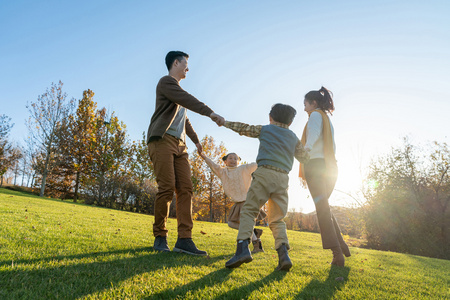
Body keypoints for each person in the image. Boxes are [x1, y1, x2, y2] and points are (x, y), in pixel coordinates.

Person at [147, 51, 225, 256]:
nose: (188, 69)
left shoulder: (178, 93)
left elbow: (185, 120)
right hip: (162, 141)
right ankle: (160, 237)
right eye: (186, 64)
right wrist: (210, 112)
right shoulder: (166, 83)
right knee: (166, 188)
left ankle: (184, 239)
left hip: (180, 146)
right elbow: (188, 100)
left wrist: (196, 141)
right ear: (176, 62)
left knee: (186, 189)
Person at [222, 103, 309, 271]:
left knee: (249, 211)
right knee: (277, 219)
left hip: (264, 174)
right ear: (290, 122)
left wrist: (225, 122)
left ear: (271, 118)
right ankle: (283, 255)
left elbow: (243, 128)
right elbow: (305, 158)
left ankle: (242, 249)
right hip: (283, 178)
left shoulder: (265, 129)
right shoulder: (293, 137)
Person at [298, 86, 351, 267]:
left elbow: (312, 135)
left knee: (321, 209)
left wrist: (305, 150)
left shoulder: (315, 116)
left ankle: (337, 254)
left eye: (305, 103)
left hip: (315, 166)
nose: (304, 107)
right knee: (324, 207)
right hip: (330, 168)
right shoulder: (326, 119)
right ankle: (341, 243)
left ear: (313, 103)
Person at [198, 151, 266, 253]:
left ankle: (257, 245)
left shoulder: (243, 169)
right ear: (225, 161)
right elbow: (213, 165)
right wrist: (203, 156)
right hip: (238, 202)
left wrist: (266, 157)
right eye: (230, 158)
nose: (233, 160)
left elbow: (256, 165)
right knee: (231, 223)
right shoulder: (223, 172)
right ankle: (254, 233)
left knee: (244, 225)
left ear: (238, 161)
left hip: (247, 201)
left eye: (236, 158)